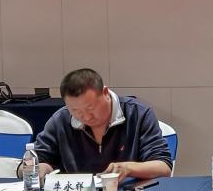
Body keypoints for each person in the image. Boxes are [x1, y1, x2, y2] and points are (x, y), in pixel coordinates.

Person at [20, 68, 172, 181]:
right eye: (75, 111)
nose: (86, 117)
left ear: (105, 92)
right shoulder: (61, 119)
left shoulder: (138, 114)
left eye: (90, 108)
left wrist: (128, 168)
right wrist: (40, 168)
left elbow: (163, 167)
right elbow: (29, 164)